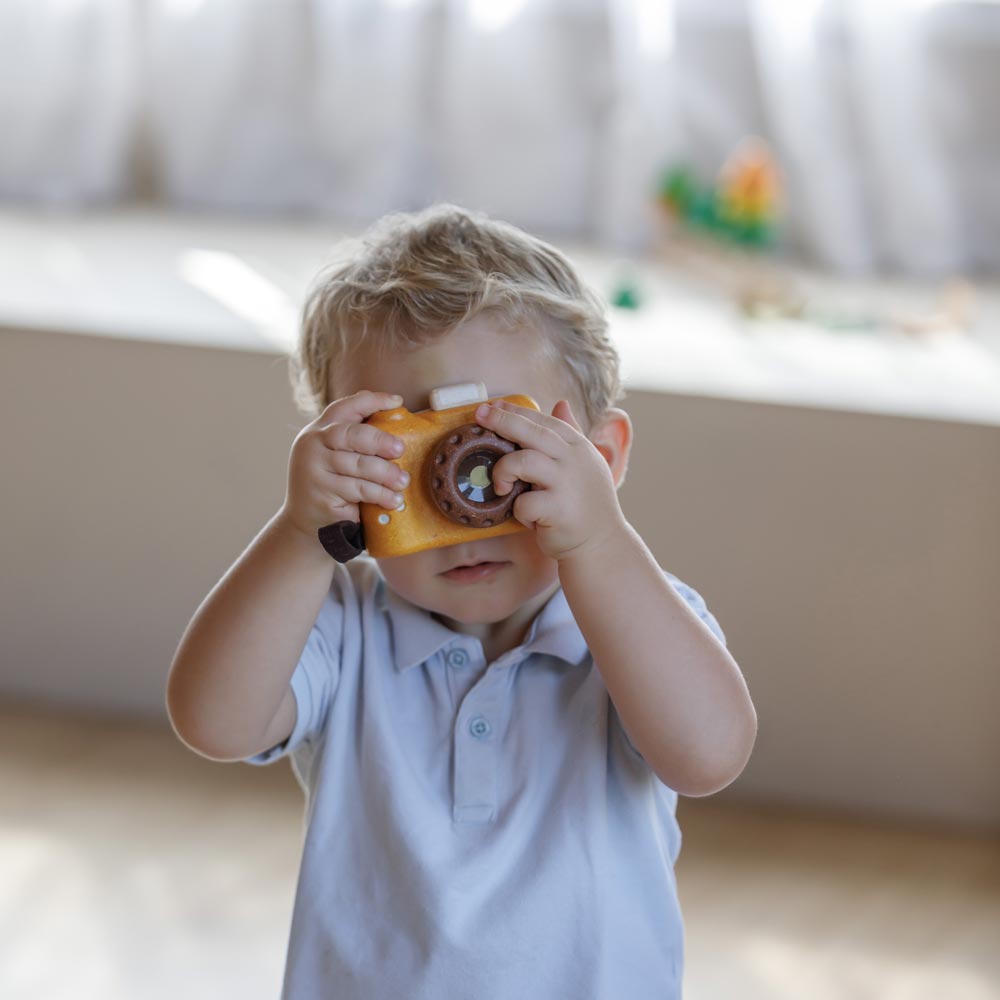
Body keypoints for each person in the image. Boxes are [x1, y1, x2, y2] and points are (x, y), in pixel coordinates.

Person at [166, 204, 757, 1000]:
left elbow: (709, 755)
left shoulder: (637, 619)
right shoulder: (340, 624)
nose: (463, 503)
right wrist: (303, 533)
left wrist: (600, 542)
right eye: (407, 461)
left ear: (602, 457)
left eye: (502, 452)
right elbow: (214, 723)